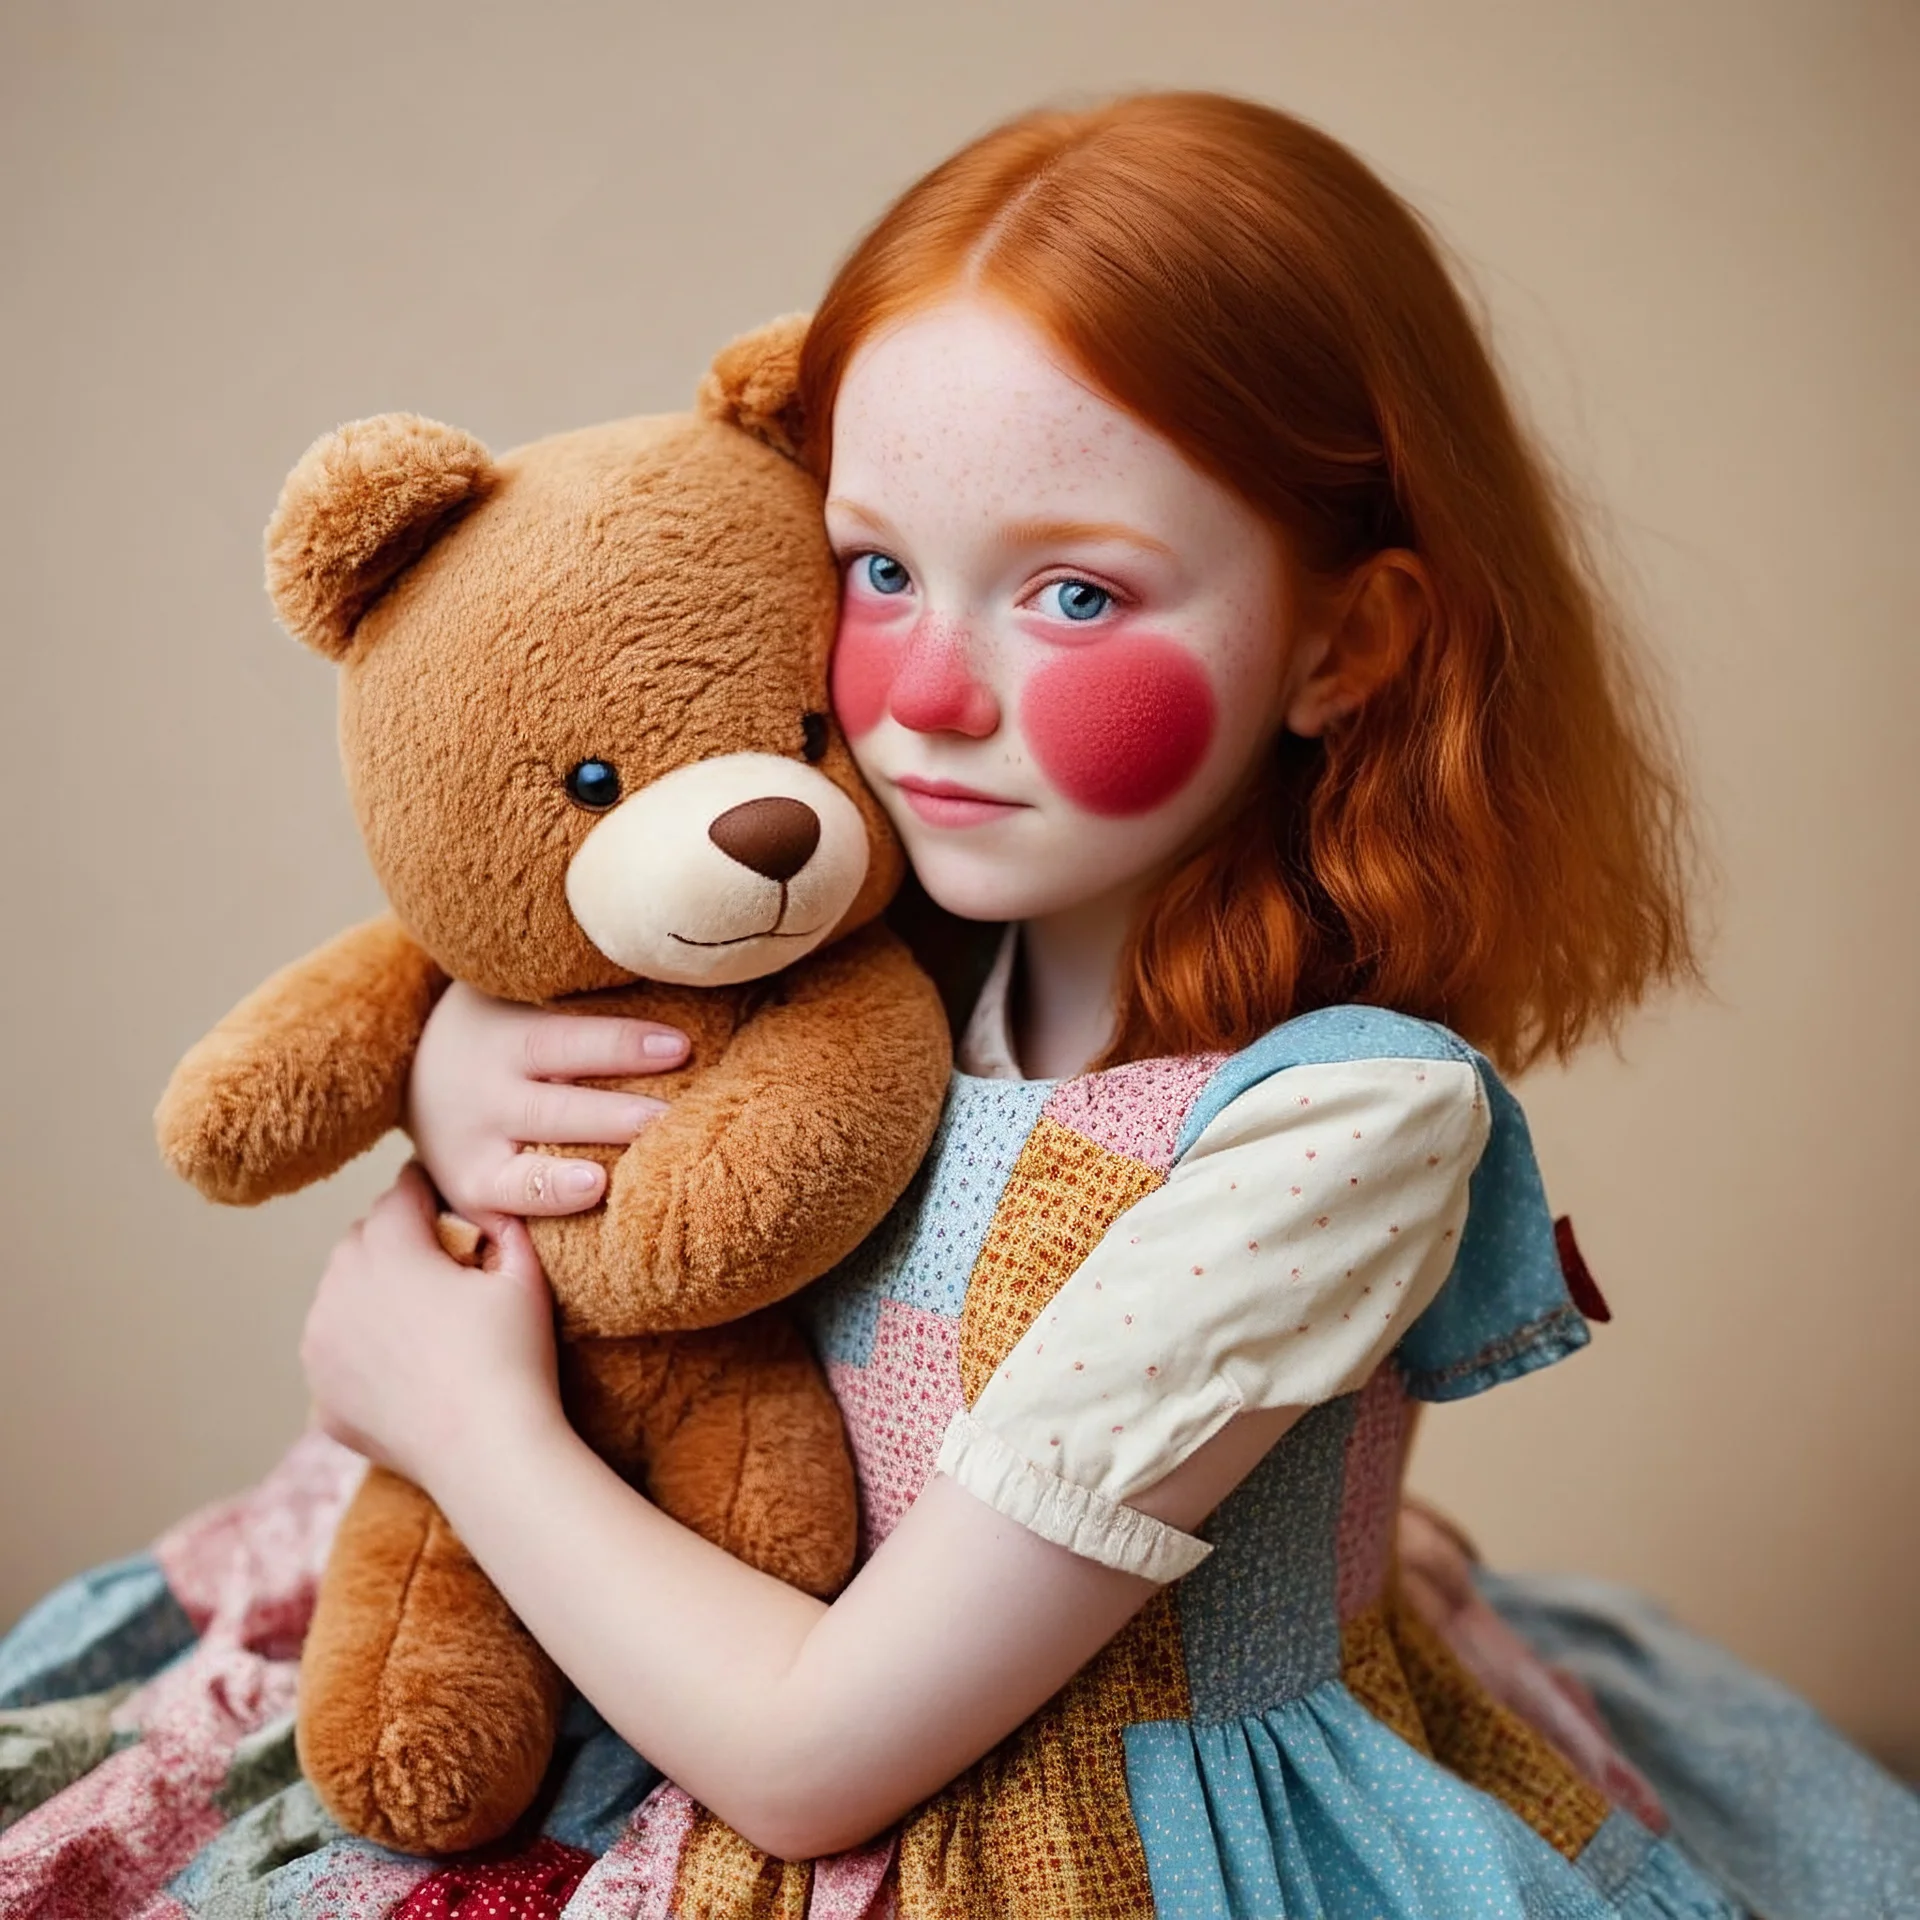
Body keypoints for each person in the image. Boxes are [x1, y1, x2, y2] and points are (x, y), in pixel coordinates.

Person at [264, 93, 1920, 1918]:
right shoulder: (869, 937)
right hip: (668, 1656)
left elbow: (813, 1760)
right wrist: (458, 1054)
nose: (930, 699)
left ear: (1343, 644)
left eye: (1071, 592)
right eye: (882, 567)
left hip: (1045, 1824)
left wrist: (459, 1420)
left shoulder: (1336, 1131)